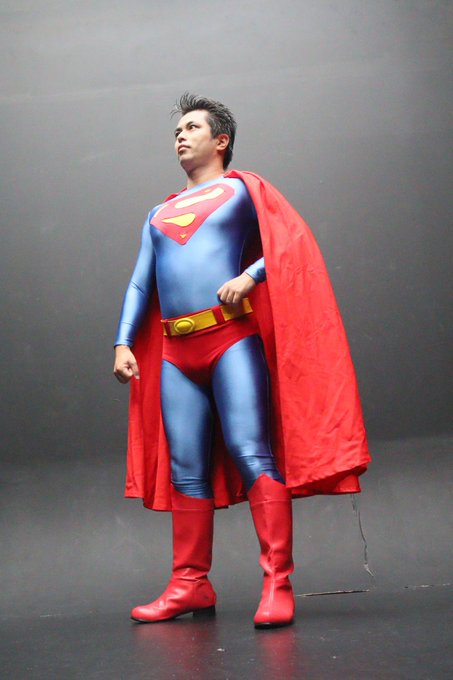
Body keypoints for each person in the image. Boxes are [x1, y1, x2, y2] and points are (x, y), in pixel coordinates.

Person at [113, 93, 371, 628]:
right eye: (177, 130)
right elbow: (141, 281)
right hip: (176, 350)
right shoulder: (158, 213)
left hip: (230, 338)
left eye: (192, 127)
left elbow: (287, 244)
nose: (181, 136)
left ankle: (277, 582)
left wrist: (250, 276)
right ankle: (189, 584)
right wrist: (123, 342)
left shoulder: (240, 191)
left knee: (252, 453)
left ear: (221, 140)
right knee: (186, 468)